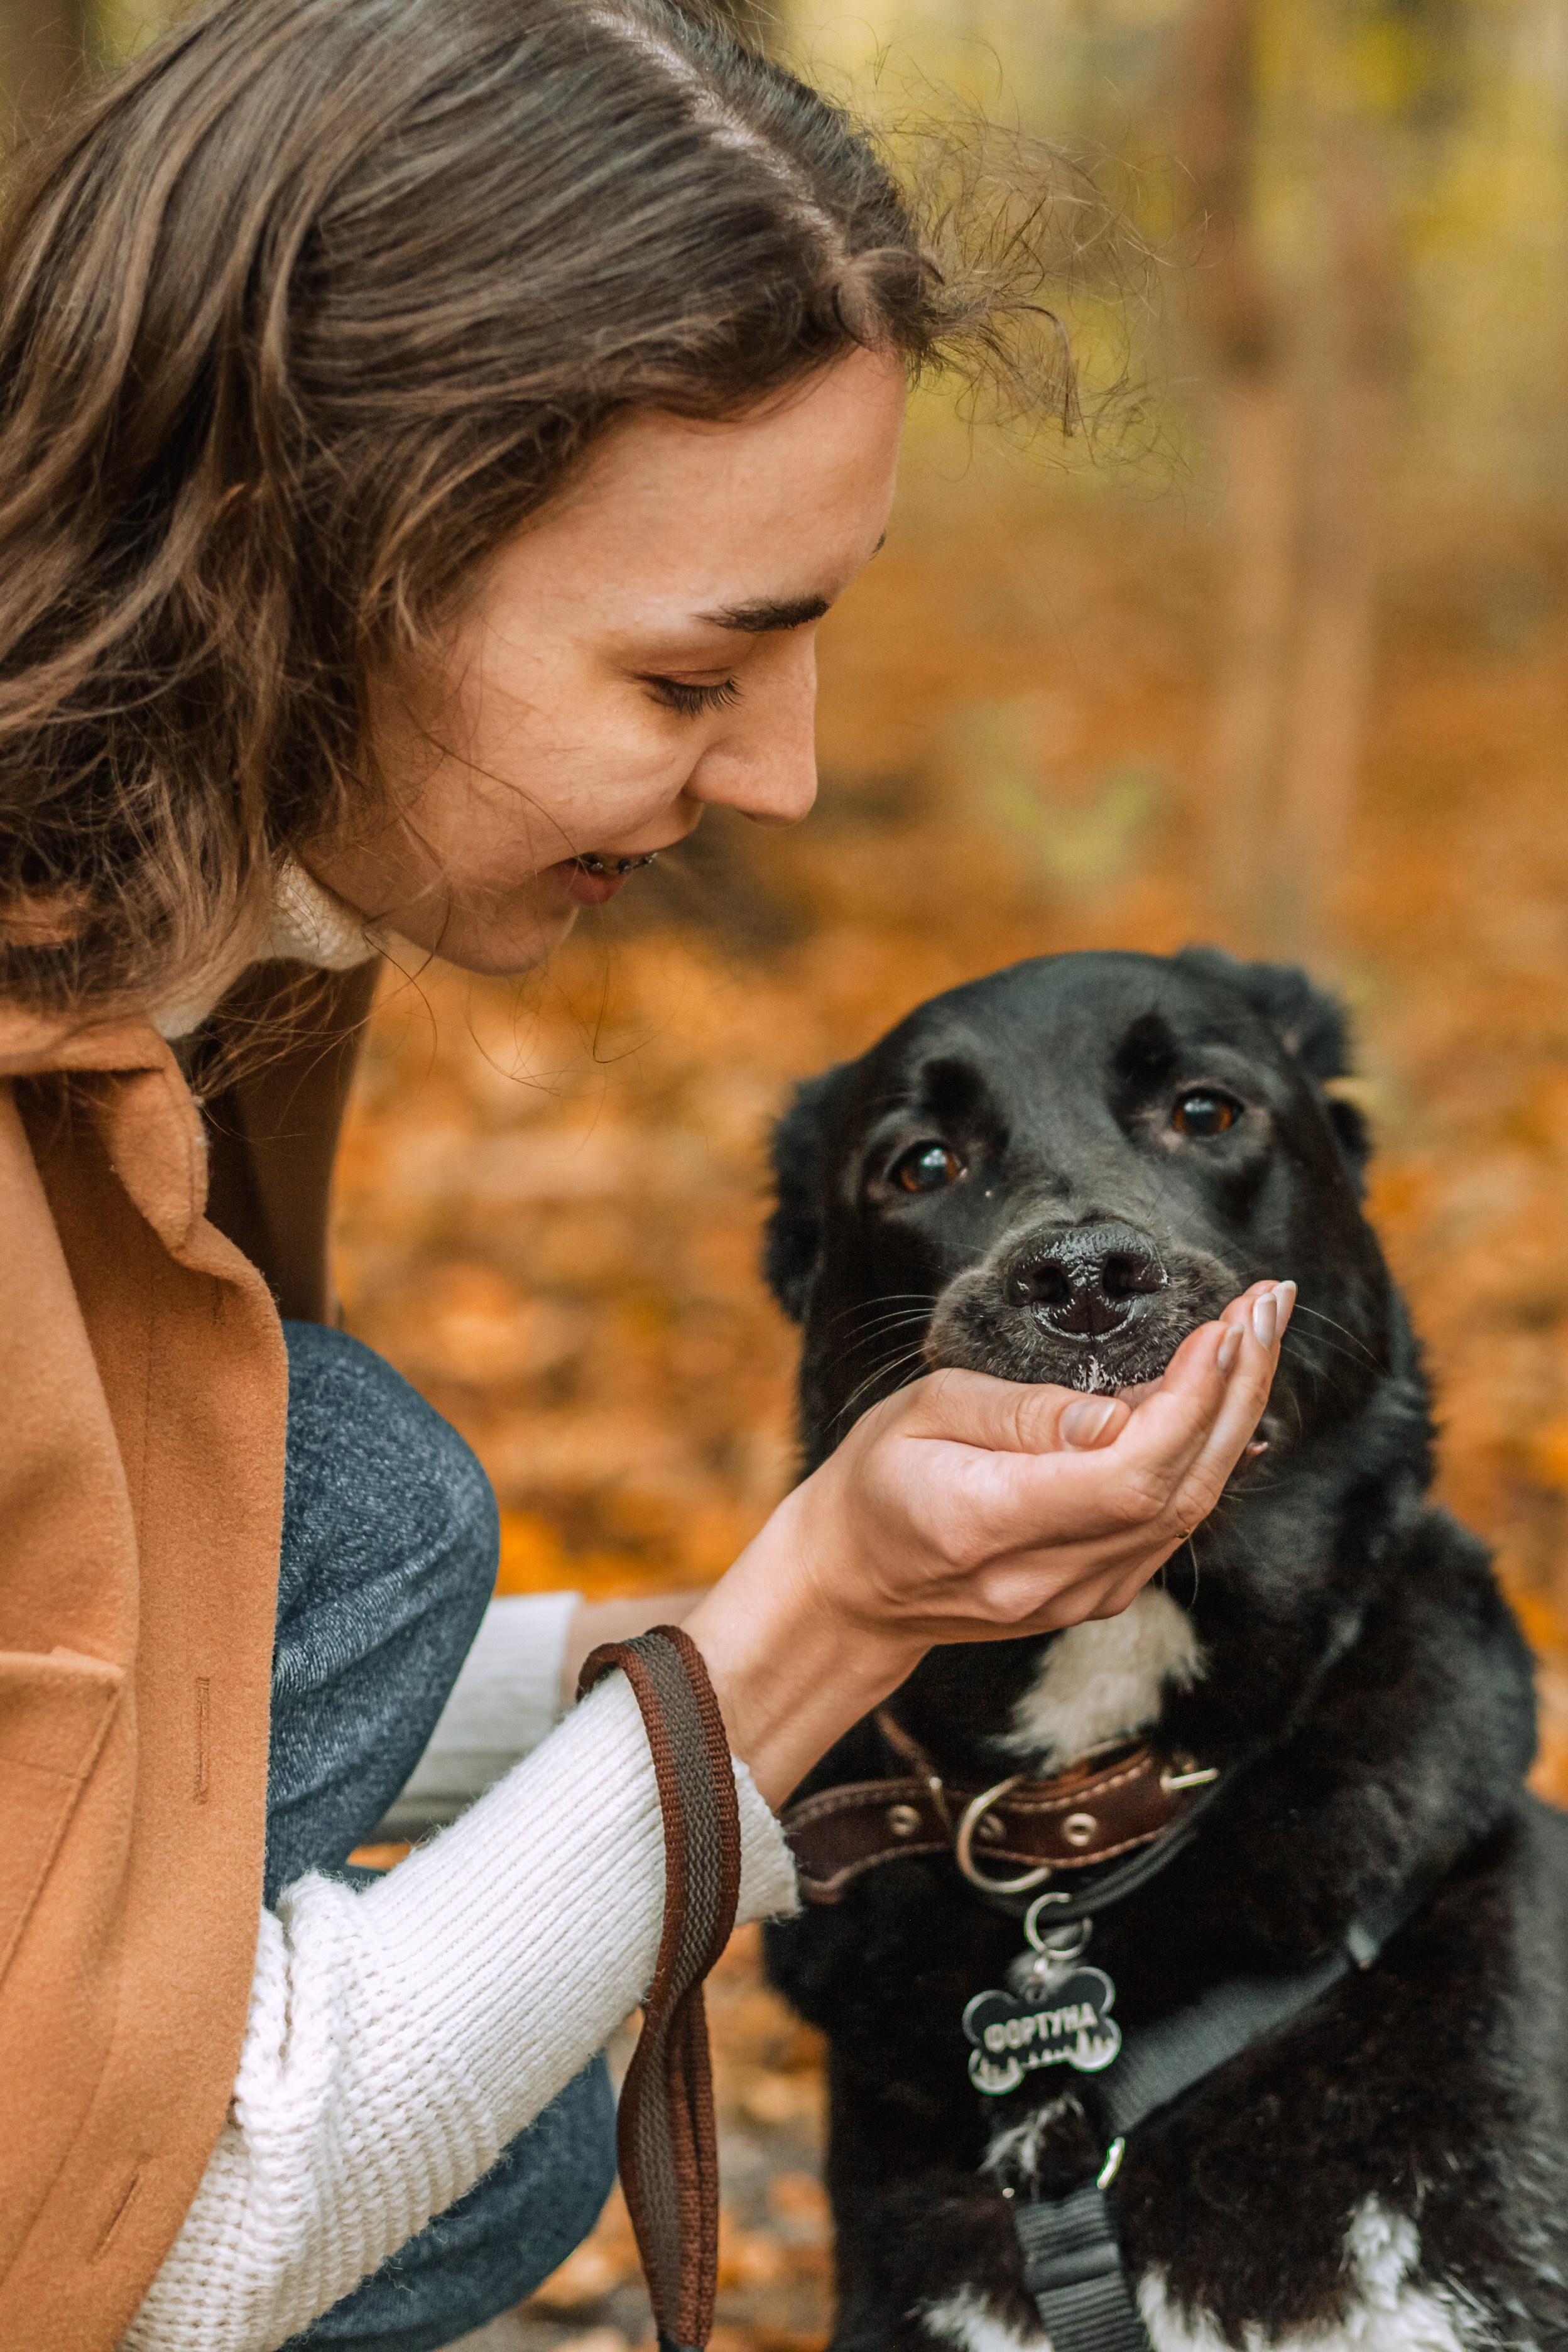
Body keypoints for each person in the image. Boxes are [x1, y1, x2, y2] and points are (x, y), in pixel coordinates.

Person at [0, 4, 1292, 2348]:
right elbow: (100, 2264)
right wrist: (813, 1628)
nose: (786, 780)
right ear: (328, 562)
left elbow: (91, 1680)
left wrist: (674, 1661)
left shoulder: (206, 928)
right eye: (697, 678)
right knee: (369, 1511)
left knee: (481, 2138)